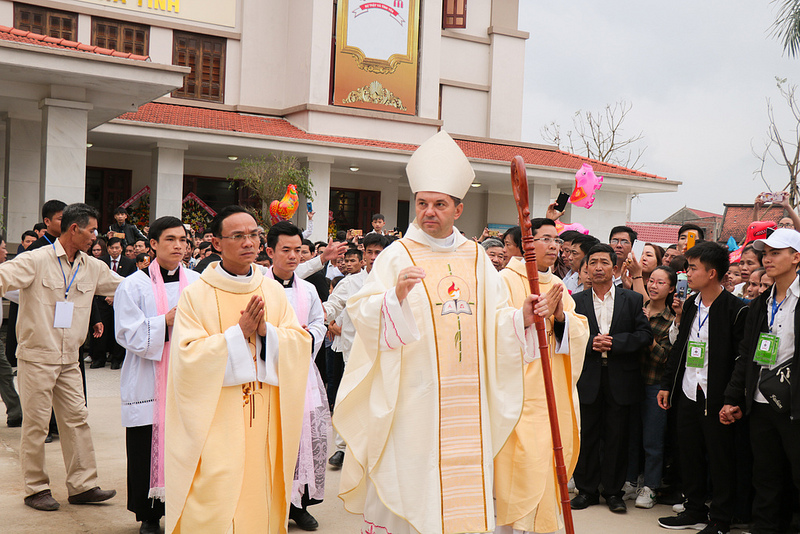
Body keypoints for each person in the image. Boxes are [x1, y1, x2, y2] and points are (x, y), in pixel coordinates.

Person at [333, 131, 539, 534]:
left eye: (439, 204)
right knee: (410, 476)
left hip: (468, 399)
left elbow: (495, 319)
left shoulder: (477, 256)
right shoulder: (396, 255)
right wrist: (394, 297)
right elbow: (363, 312)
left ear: (458, 209)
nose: (429, 211)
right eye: (423, 203)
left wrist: (522, 319)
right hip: (413, 397)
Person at [165, 205, 311, 533]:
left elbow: (299, 343)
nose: (249, 242)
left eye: (254, 235)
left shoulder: (271, 289)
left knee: (259, 486)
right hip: (216, 418)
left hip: (264, 417)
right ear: (216, 243)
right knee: (217, 487)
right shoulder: (196, 295)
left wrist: (266, 333)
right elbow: (187, 357)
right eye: (238, 236)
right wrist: (237, 334)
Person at [0, 203, 121, 511]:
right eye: (92, 230)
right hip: (37, 356)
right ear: (74, 229)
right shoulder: (35, 260)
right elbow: (3, 276)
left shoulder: (92, 267)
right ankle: (36, 488)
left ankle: (82, 485)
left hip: (69, 359)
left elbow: (126, 288)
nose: (96, 236)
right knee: (37, 425)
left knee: (77, 420)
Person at [494, 219, 589, 533]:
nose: (554, 246)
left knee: (548, 464)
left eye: (556, 240)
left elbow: (578, 332)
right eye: (545, 238)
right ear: (527, 243)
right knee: (522, 465)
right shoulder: (505, 280)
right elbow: (491, 328)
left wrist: (561, 317)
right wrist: (522, 317)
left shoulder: (558, 286)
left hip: (553, 394)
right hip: (518, 393)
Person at [113, 217, 199, 534]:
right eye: (170, 240)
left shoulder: (199, 282)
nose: (179, 246)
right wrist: (166, 320)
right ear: (152, 245)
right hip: (148, 378)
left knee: (187, 447)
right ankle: (149, 516)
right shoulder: (133, 285)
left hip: (189, 379)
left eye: (183, 239)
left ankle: (186, 509)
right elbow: (126, 333)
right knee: (145, 449)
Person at [657, 241, 748, 534]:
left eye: (693, 268)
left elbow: (741, 359)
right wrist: (667, 384)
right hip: (688, 389)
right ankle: (694, 509)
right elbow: (681, 347)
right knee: (689, 453)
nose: (687, 273)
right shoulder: (692, 304)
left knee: (720, 458)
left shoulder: (736, 309)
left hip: (717, 395)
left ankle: (721, 518)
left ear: (711, 273)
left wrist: (732, 397)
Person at [721, 228, 800, 534]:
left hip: (795, 405)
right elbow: (747, 353)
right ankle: (765, 528)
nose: (768, 259)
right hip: (760, 400)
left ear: (796, 258)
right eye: (765, 253)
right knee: (765, 474)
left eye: (776, 253)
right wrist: (733, 397)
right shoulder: (760, 303)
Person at [570, 244, 653, 514]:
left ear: (614, 268)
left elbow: (644, 336)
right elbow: (564, 337)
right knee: (588, 436)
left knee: (617, 438)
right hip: (589, 377)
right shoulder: (575, 301)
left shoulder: (631, 300)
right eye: (592, 262)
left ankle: (614, 492)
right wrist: (589, 342)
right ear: (585, 269)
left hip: (621, 377)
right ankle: (587, 490)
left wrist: (614, 342)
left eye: (603, 262)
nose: (597, 267)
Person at [264, 222, 329, 532]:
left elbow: (319, 323)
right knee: (270, 437)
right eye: (286, 250)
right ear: (270, 252)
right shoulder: (257, 286)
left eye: (298, 251)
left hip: (302, 371)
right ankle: (267, 502)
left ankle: (298, 506)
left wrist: (304, 339)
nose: (293, 256)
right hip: (267, 371)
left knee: (304, 437)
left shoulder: (308, 289)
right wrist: (282, 340)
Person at [323, 233, 387, 468]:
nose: (373, 257)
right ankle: (342, 448)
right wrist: (318, 315)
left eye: (378, 252)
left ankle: (378, 449)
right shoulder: (350, 283)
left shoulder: (393, 281)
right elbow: (333, 305)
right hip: (354, 354)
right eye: (369, 252)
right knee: (350, 399)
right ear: (363, 257)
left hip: (385, 354)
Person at [626, 266, 676, 509]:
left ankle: (652, 486)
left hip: (656, 385)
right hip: (631, 381)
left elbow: (664, 357)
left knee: (653, 440)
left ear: (672, 288)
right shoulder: (637, 309)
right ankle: (631, 480)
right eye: (651, 281)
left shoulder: (672, 319)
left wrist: (646, 332)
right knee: (631, 436)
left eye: (660, 282)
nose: (653, 286)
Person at [0, 235, 22, 428]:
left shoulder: (3, 274)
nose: (6, 252)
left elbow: (16, 294)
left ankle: (15, 413)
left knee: (5, 373)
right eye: (3, 248)